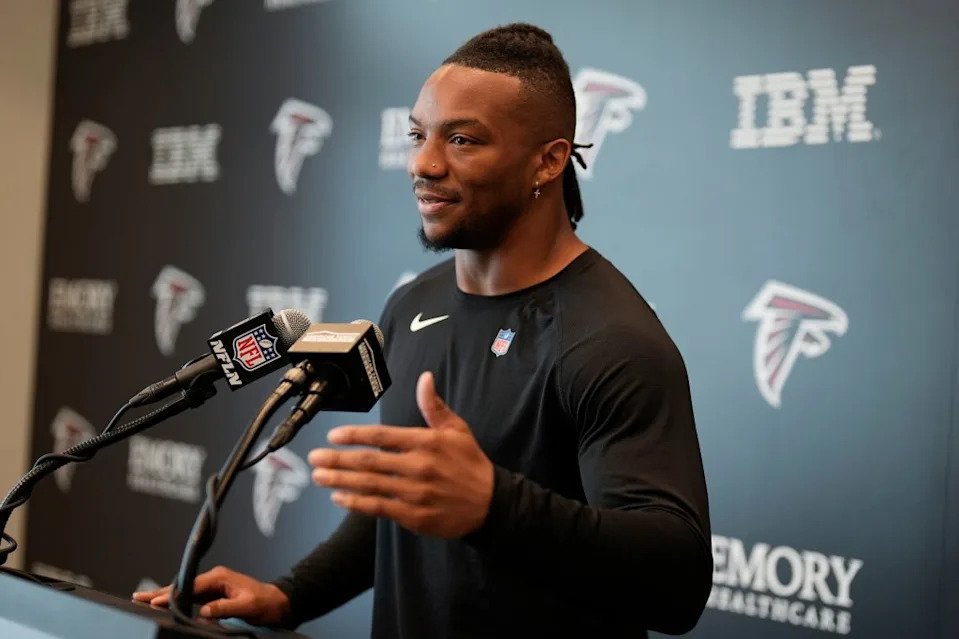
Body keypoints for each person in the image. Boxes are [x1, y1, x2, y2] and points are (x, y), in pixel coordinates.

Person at [134, 23, 711, 637]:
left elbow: (676, 586)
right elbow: (404, 505)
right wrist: (288, 595)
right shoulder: (413, 304)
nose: (423, 163)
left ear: (548, 160)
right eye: (418, 135)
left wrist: (494, 506)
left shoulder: (609, 340)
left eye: (461, 140)